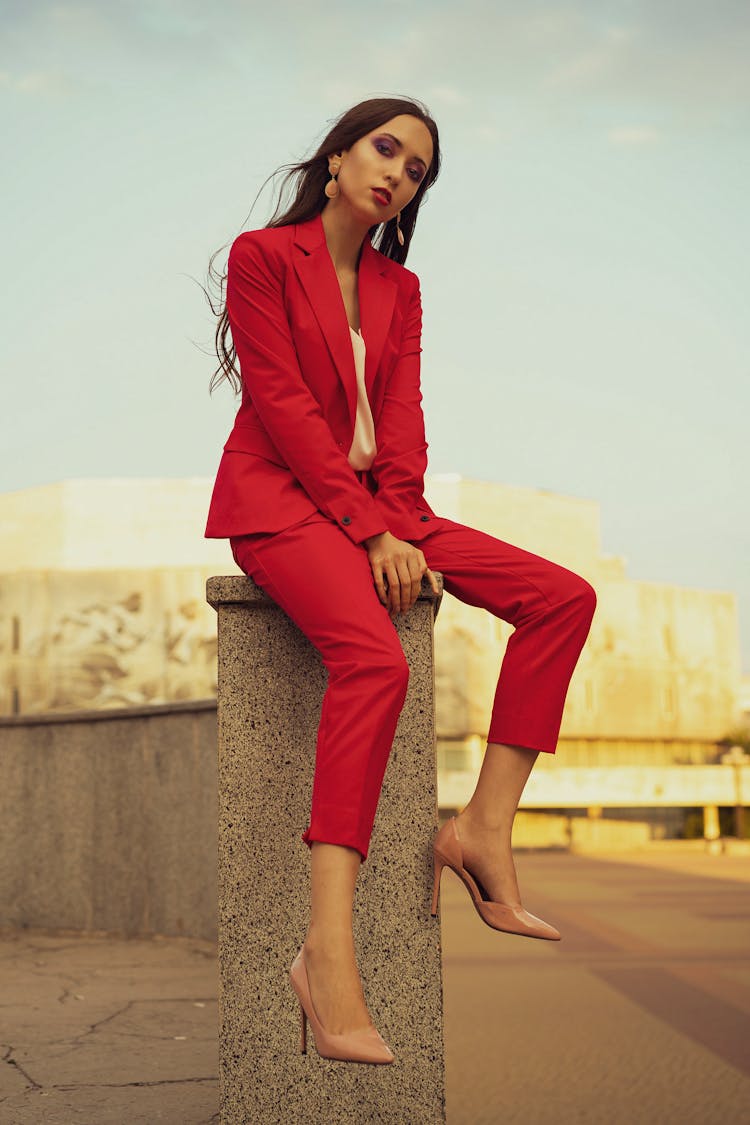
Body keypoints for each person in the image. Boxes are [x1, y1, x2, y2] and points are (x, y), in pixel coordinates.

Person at [204, 96, 597, 1064]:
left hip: (385, 512)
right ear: (338, 157)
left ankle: (481, 829)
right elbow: (285, 407)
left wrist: (401, 519)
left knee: (562, 598)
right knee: (374, 662)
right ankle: (325, 952)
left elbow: (404, 417)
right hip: (283, 508)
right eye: (386, 148)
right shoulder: (263, 256)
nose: (397, 172)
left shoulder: (399, 289)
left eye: (418, 168)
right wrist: (368, 527)